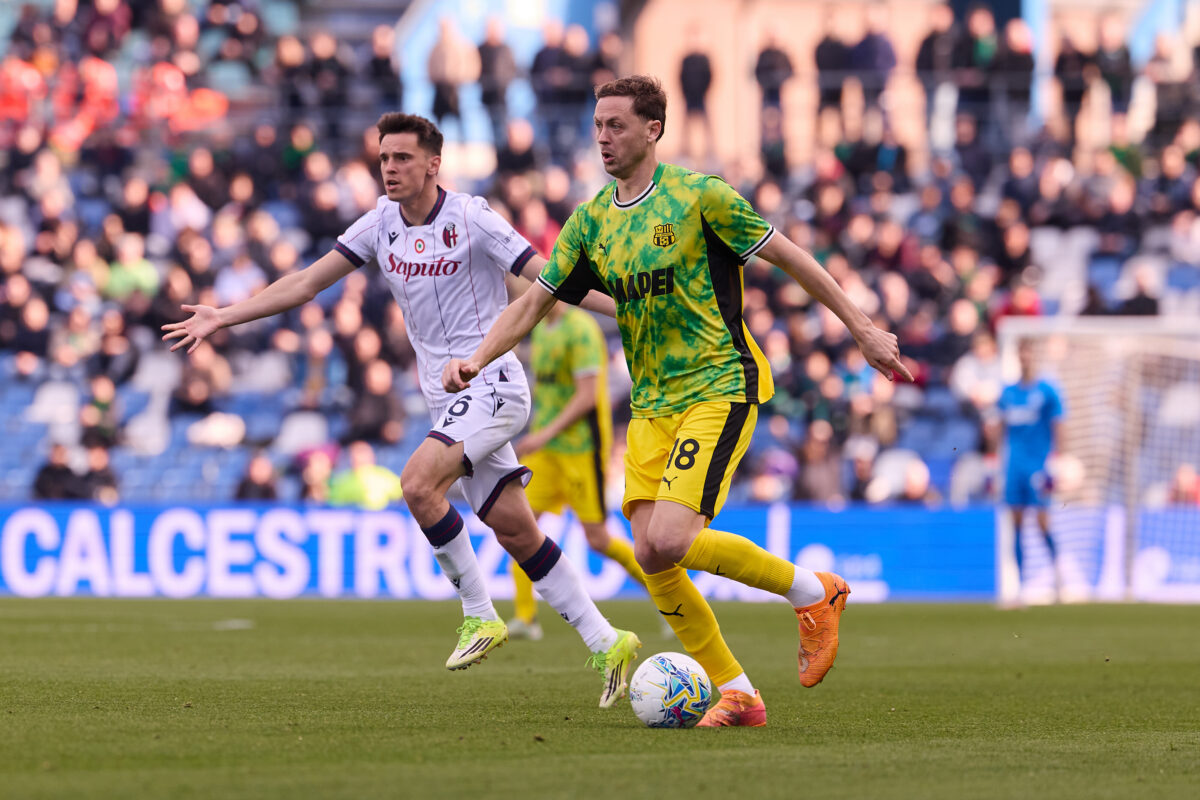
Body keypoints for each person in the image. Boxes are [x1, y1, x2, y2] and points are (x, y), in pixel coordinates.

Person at [444, 76, 910, 727]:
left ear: (653, 130)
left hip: (720, 385)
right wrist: (477, 358)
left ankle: (815, 592)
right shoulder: (589, 223)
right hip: (652, 405)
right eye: (598, 125)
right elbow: (534, 301)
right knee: (651, 552)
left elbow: (791, 257)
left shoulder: (702, 198)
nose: (603, 136)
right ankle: (739, 693)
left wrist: (860, 326)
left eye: (617, 125)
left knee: (667, 537)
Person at [164, 112, 640, 708]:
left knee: (416, 485)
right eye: (384, 158)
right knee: (516, 530)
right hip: (446, 400)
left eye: (402, 158)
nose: (389, 168)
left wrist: (629, 307)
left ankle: (479, 614)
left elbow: (549, 278)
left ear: (433, 163)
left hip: (494, 384)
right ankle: (608, 641)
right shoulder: (378, 225)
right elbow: (307, 284)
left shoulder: (473, 217)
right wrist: (223, 315)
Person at [508, 299, 646, 640]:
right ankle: (525, 618)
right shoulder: (541, 328)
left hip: (582, 450)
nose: (521, 292)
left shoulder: (581, 330)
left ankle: (669, 594)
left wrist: (542, 434)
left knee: (598, 540)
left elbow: (587, 397)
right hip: (546, 453)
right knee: (518, 529)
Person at [997, 340, 1064, 602]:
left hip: (1038, 465)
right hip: (1014, 466)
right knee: (1015, 524)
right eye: (1021, 352)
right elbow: (999, 428)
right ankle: (1019, 587)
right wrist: (994, 462)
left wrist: (1056, 461)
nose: (1025, 357)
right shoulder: (1008, 393)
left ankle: (1057, 573)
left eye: (1028, 352)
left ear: (1035, 356)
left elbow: (1059, 424)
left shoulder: (1047, 391)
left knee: (1041, 521)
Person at [328, 440, 403, 510]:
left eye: (363, 453)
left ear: (372, 456)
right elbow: (335, 504)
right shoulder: (344, 480)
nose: (360, 457)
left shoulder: (384, 475)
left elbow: (402, 494)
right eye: (357, 453)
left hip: (382, 519)